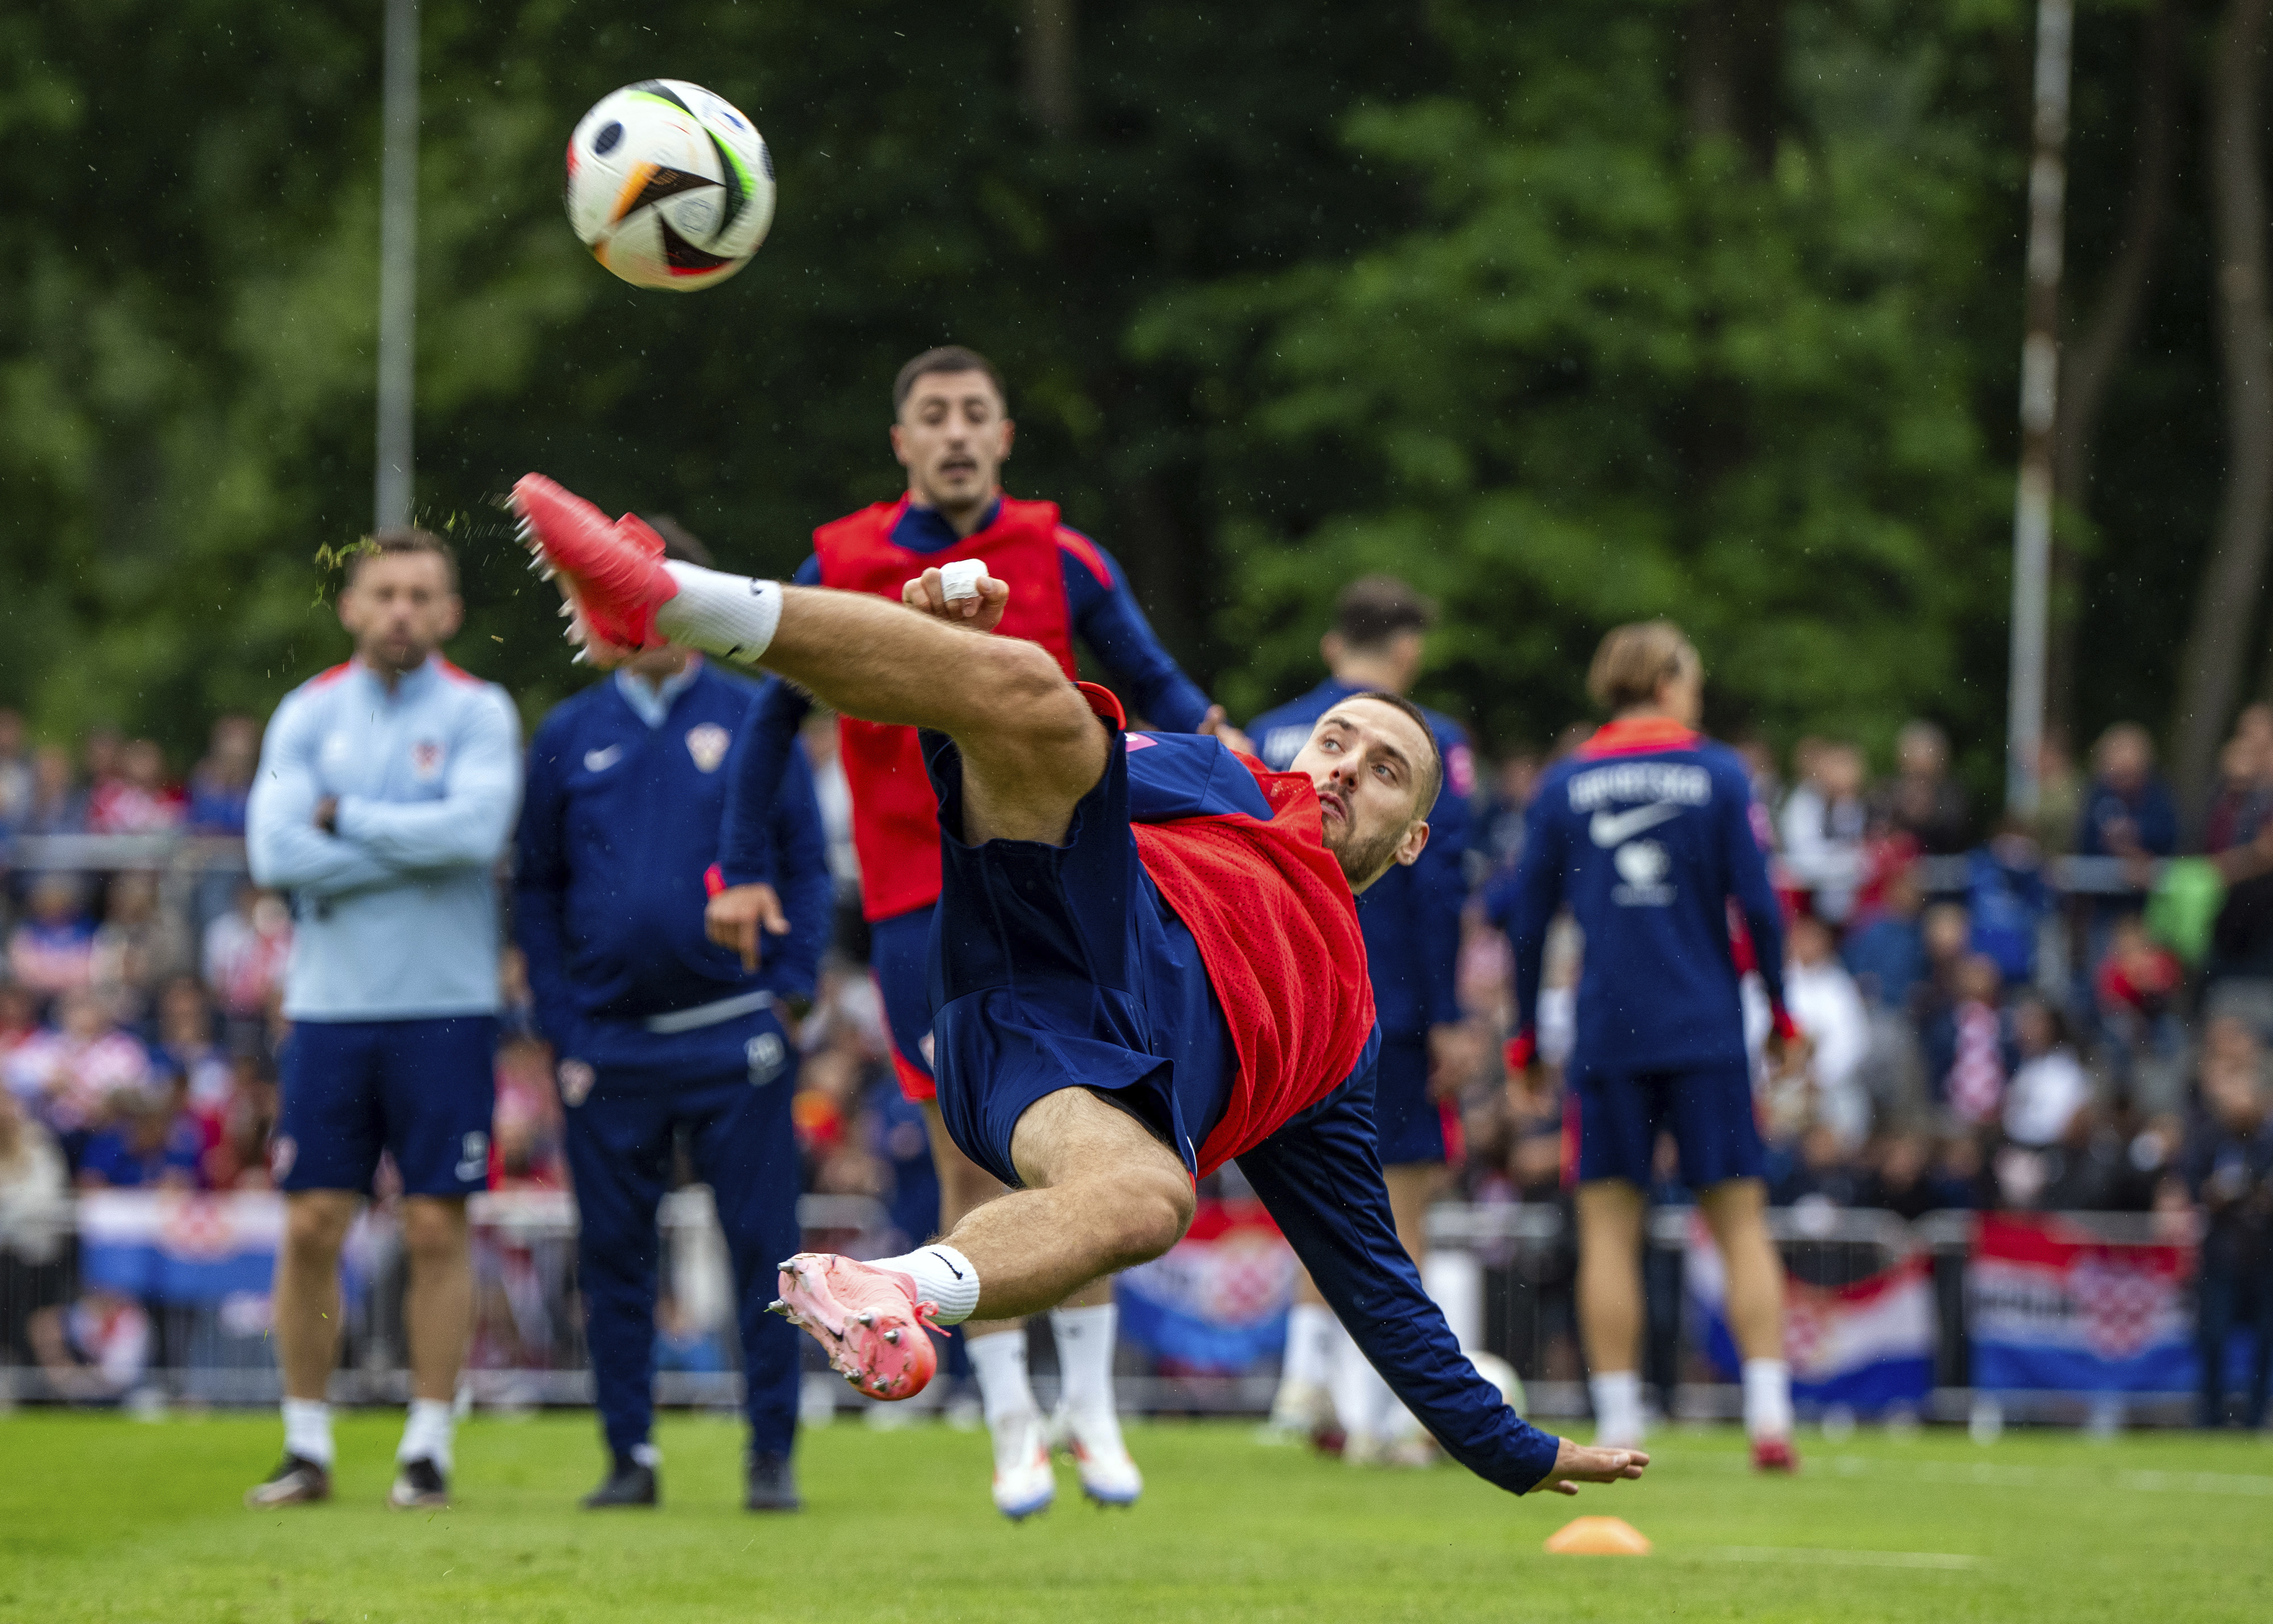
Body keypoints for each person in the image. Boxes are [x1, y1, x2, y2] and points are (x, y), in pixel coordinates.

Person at [510, 470, 1646, 1504]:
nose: (1341, 764)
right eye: (1332, 740)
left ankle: (889, 1287)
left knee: (1154, 1202)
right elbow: (1040, 762)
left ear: (1410, 842)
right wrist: (959, 686)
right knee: (1038, 691)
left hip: (1078, 1099)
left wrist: (1508, 1446)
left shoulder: (1343, 1037)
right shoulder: (1224, 778)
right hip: (1046, 933)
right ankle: (663, 599)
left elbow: (1379, 1286)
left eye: (1382, 767)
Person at [703, 347, 1246, 1517]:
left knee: (1095, 1139)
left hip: (1066, 895)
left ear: (1003, 437)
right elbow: (766, 724)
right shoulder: (841, 559)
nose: (953, 433)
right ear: (901, 442)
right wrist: (741, 866)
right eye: (931, 416)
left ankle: (1091, 1411)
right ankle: (1011, 1426)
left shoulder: (1061, 552)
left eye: (974, 415)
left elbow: (1160, 685)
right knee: (967, 1150)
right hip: (914, 902)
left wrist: (1254, 790)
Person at [514, 520, 831, 1514]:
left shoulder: (755, 718)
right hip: (608, 1045)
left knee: (765, 1255)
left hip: (735, 1029)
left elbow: (809, 865)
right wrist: (562, 1024)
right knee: (614, 1258)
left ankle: (770, 1454)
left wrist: (792, 991)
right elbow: (534, 887)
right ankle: (629, 1456)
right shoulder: (567, 733)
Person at [242, 526, 521, 1511]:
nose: (401, 609)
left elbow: (476, 833)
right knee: (314, 1221)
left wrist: (345, 820)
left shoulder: (481, 711)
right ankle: (307, 1441)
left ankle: (428, 1444)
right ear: (353, 606)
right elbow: (274, 855)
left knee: (439, 1226)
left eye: (422, 594)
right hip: (330, 1008)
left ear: (447, 612)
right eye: (384, 593)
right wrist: (411, 841)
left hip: (446, 1007)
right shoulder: (305, 714)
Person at [1494, 620, 1801, 1471]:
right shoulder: (1718, 771)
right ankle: (1770, 1420)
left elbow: (1525, 923)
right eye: (1692, 675)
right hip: (1705, 1026)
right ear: (1667, 680)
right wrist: (1782, 1014)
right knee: (1739, 1223)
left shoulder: (1563, 784)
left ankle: (1622, 1421)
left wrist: (1525, 1037)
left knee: (1607, 1230)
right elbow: (1764, 908)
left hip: (1606, 1033)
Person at [1245, 575, 1481, 1458]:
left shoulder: (1285, 733)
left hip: (1279, 989)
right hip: (1389, 1000)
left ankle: (1303, 1387)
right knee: (1396, 1204)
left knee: (1311, 1189)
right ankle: (1382, 1409)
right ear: (1409, 649)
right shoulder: (1430, 745)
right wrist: (1452, 1013)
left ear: (1332, 642)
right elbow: (1439, 888)